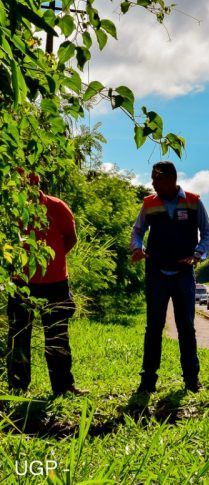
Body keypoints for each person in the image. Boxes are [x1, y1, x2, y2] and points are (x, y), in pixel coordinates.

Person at [130, 161, 209, 393]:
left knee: (186, 326)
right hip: (156, 271)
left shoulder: (194, 201)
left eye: (157, 178)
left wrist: (198, 254)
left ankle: (191, 379)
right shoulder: (149, 203)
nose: (153, 183)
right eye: (152, 178)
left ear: (171, 179)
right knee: (153, 327)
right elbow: (137, 230)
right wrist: (137, 247)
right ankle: (147, 381)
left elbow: (207, 233)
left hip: (183, 274)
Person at [6, 170, 85, 396]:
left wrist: (52, 262)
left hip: (56, 283)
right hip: (20, 283)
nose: (27, 190)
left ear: (37, 184)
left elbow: (70, 238)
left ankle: (63, 387)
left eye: (31, 185)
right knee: (18, 337)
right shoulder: (11, 210)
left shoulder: (57, 207)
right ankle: (17, 389)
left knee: (57, 336)